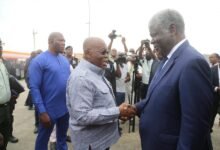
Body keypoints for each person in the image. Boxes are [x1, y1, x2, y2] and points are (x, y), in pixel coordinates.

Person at [124, 9, 213, 150]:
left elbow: (195, 125)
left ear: (172, 29)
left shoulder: (192, 62)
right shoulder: (166, 60)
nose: (152, 41)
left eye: (154, 35)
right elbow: (158, 97)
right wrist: (135, 108)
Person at [66, 37, 135, 150]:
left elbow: (99, 105)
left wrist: (117, 115)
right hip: (91, 144)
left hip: (100, 142)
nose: (107, 56)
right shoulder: (81, 78)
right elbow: (83, 116)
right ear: (88, 53)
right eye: (103, 53)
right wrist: (117, 111)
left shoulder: (96, 72)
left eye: (107, 52)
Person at [29, 32, 70, 150]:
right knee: (43, 140)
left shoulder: (64, 60)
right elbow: (34, 88)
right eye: (60, 41)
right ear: (50, 42)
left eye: (64, 41)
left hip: (64, 109)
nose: (63, 43)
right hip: (48, 110)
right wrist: (42, 111)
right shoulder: (39, 61)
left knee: (61, 138)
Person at [0, 38, 11, 150]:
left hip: (6, 108)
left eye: (1, 45)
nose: (1, 48)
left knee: (5, 139)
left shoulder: (2, 64)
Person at [209, 53, 220, 130]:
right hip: (214, 98)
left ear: (218, 59)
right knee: (211, 117)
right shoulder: (211, 70)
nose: (210, 59)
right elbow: (207, 84)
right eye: (209, 57)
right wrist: (216, 88)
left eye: (212, 57)